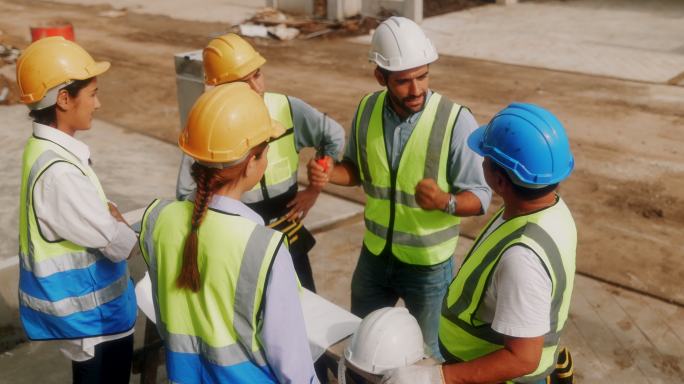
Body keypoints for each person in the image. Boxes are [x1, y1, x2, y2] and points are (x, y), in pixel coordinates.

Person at [308, 16, 491, 360]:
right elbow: (357, 172)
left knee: (427, 355)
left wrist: (445, 202)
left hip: (428, 268)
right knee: (361, 343)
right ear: (381, 76)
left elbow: (481, 197)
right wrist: (330, 173)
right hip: (375, 257)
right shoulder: (366, 109)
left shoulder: (454, 120)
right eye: (404, 81)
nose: (416, 89)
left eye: (423, 76)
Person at [381, 103, 577, 384]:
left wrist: (439, 378)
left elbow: (523, 357)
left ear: (500, 180)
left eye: (485, 157)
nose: (480, 160)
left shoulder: (522, 259)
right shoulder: (550, 208)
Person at [139, 82, 319, 383]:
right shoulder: (263, 247)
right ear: (251, 163)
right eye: (265, 152)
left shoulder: (158, 219)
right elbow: (292, 365)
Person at [176, 33, 345, 293]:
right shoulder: (211, 125)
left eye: (257, 75)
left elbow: (332, 136)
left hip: (287, 232)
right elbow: (185, 194)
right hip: (240, 238)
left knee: (307, 308)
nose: (256, 88)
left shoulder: (286, 108)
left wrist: (314, 189)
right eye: (243, 82)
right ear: (219, 87)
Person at [15, 36, 137, 383]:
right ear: (64, 99)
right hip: (93, 323)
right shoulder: (60, 174)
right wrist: (117, 224)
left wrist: (109, 216)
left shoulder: (45, 151)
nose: (97, 104)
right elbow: (121, 244)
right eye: (93, 93)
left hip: (93, 321)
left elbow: (103, 218)